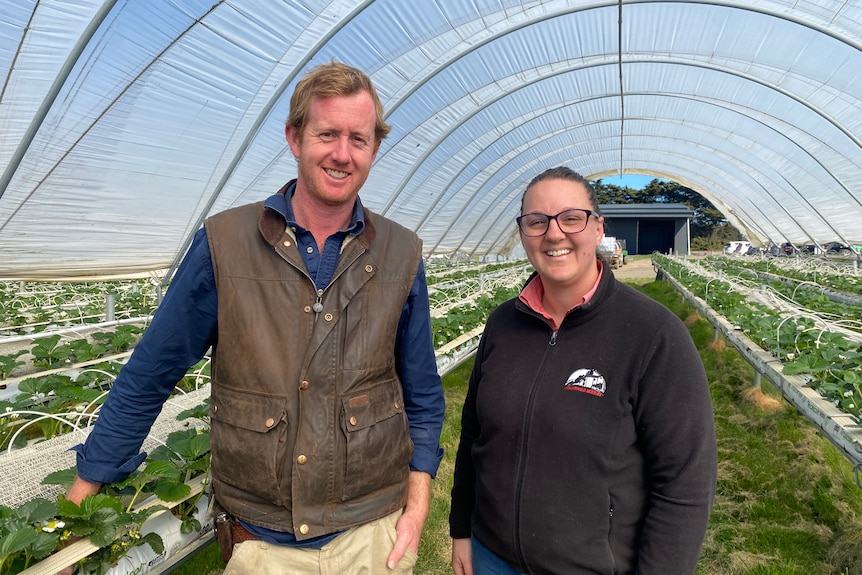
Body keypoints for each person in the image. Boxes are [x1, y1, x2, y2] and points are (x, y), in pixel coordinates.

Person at [62, 61, 445, 575]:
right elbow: (153, 370)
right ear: (294, 137)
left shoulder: (401, 252)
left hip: (372, 532)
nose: (342, 153)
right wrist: (83, 495)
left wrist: (417, 505)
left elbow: (421, 391)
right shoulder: (226, 243)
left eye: (359, 138)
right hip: (260, 542)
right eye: (326, 133)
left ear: (375, 147)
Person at [448, 166, 717, 575]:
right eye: (536, 222)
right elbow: (473, 436)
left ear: (597, 229)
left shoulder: (653, 334)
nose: (554, 234)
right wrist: (462, 530)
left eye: (571, 218)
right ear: (523, 235)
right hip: (491, 557)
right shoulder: (503, 323)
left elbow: (685, 482)